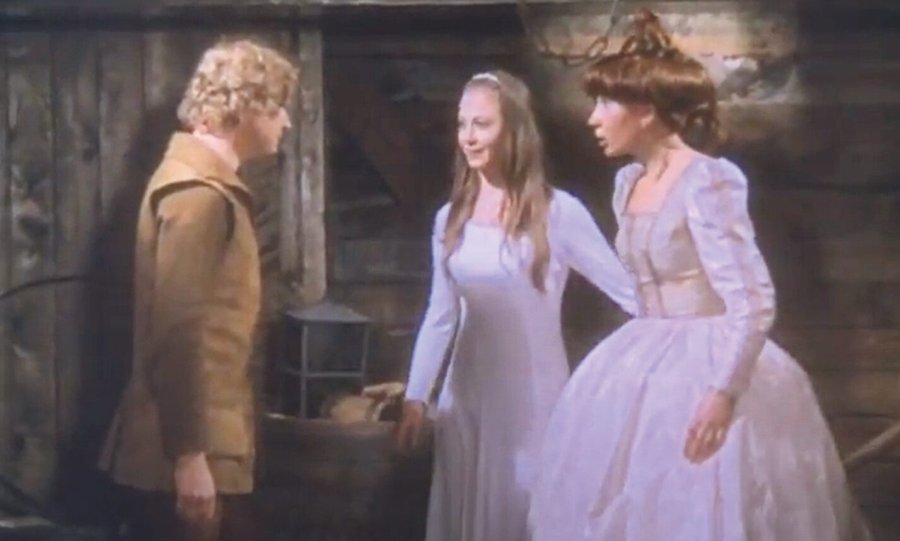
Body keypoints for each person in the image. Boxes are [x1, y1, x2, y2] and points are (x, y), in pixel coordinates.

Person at [528, 10, 870, 541]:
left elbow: (753, 299)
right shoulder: (628, 183)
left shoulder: (708, 180)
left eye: (605, 104)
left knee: (708, 501)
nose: (594, 118)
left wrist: (723, 392)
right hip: (638, 360)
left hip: (708, 360)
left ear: (645, 111)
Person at [392, 69, 638, 541]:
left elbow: (626, 291)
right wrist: (416, 398)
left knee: (523, 511)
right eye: (462, 123)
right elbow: (441, 315)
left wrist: (680, 338)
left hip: (530, 401)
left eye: (482, 124)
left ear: (514, 130)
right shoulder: (451, 218)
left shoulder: (557, 213)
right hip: (465, 399)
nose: (468, 136)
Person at [98, 38, 298, 541]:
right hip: (186, 451)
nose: (286, 122)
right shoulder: (197, 197)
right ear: (242, 108)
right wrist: (189, 458)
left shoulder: (208, 189)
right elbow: (178, 331)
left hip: (207, 443)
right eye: (276, 107)